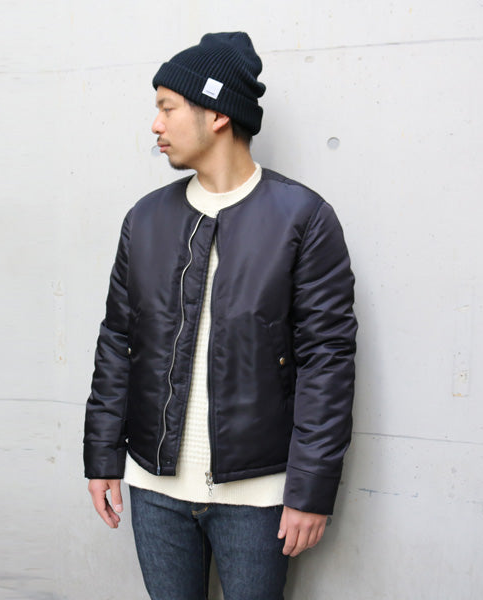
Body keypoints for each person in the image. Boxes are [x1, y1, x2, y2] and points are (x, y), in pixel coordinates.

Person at [83, 31, 357, 600]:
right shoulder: (145, 219)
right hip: (154, 490)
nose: (155, 125)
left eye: (167, 108)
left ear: (217, 114)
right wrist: (102, 456)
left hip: (259, 497)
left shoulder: (303, 218)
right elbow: (117, 343)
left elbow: (327, 362)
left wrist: (310, 489)